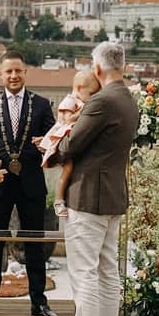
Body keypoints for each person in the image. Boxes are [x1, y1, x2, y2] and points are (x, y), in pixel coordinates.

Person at [51, 41, 138, 316]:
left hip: (88, 195)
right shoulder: (128, 99)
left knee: (83, 270)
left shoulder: (101, 101)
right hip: (114, 194)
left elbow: (72, 144)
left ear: (98, 69)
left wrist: (50, 149)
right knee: (107, 268)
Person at [0, 51, 57, 316]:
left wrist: (43, 141)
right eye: (8, 71)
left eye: (18, 71)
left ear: (26, 72)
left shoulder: (42, 104)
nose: (13, 76)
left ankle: (39, 303)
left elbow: (54, 139)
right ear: (0, 74)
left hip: (31, 182)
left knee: (35, 243)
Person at [38, 70, 100, 217]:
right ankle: (59, 200)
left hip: (70, 138)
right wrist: (84, 112)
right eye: (91, 94)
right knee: (68, 168)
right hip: (63, 139)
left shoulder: (80, 101)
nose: (92, 98)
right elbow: (67, 120)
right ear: (79, 88)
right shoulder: (70, 101)